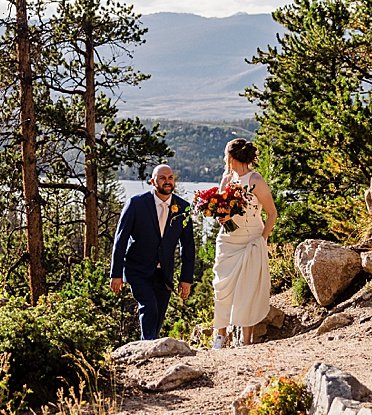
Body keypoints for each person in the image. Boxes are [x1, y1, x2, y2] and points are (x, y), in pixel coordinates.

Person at [109, 164, 197, 341]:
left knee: (159, 314)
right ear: (153, 181)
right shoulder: (136, 204)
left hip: (164, 273)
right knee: (149, 307)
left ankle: (149, 347)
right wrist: (116, 274)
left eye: (170, 178)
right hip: (137, 269)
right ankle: (148, 346)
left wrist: (186, 279)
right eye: (162, 178)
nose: (167, 181)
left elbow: (188, 246)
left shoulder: (183, 208)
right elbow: (120, 239)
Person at [212, 137, 277, 348]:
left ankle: (245, 340)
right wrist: (222, 217)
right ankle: (220, 336)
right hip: (227, 241)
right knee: (221, 288)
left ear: (230, 156)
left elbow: (272, 213)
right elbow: (220, 210)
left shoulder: (255, 180)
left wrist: (261, 240)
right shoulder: (226, 180)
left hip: (250, 240)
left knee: (246, 289)